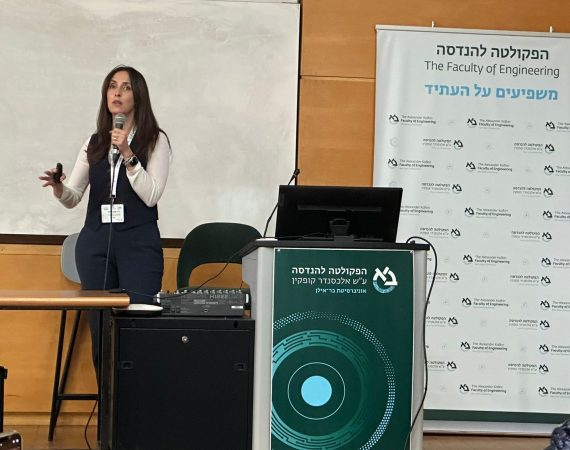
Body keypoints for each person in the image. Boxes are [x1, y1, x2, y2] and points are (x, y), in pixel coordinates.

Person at [39, 65, 172, 369]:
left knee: (139, 329)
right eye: (112, 86)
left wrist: (127, 153)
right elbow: (73, 196)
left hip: (138, 243)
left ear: (138, 96)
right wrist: (59, 187)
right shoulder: (95, 142)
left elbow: (152, 195)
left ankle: (138, 399)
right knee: (102, 332)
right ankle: (107, 399)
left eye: (126, 87)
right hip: (96, 243)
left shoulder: (155, 140)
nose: (117, 93)